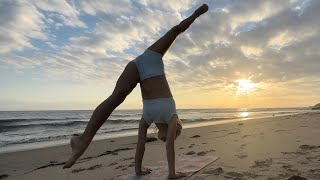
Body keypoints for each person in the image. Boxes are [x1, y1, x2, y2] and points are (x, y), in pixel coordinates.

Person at [63, 4, 209, 179]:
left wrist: (138, 171)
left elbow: (141, 145)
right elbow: (170, 145)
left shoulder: (148, 118)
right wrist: (172, 174)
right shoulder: (172, 117)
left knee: (117, 97)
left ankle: (81, 141)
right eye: (172, 136)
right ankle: (84, 140)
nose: (164, 139)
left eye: (164, 137)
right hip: (151, 56)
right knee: (175, 31)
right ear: (176, 128)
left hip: (137, 66)